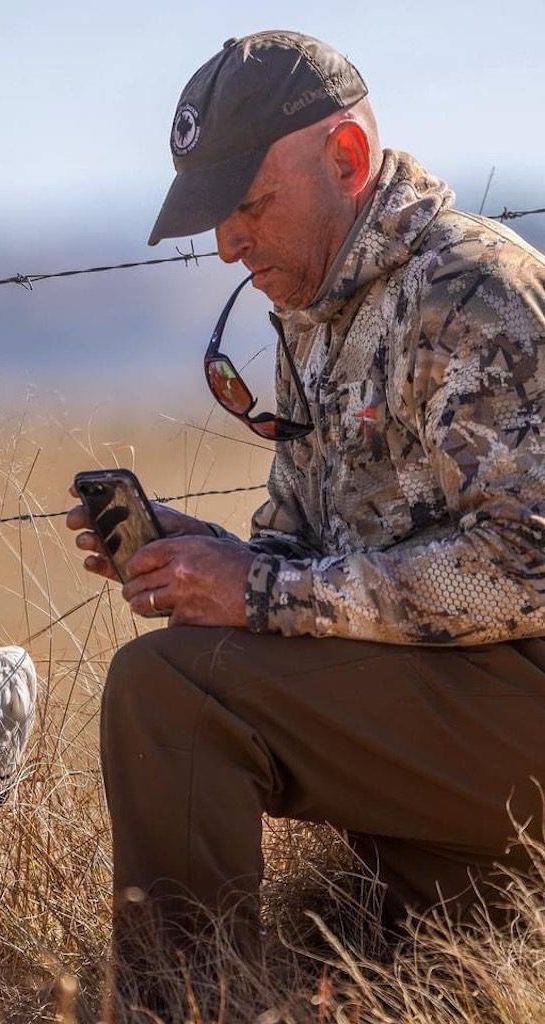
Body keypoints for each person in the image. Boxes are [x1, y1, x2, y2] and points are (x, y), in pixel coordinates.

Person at [67, 29, 545, 961]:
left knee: (168, 690)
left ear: (348, 159)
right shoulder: (318, 315)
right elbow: (308, 552)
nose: (225, 244)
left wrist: (260, 593)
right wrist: (205, 556)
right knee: (395, 944)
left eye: (248, 204)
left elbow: (530, 565)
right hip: (470, 720)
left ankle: (183, 1009)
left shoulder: (470, 294)